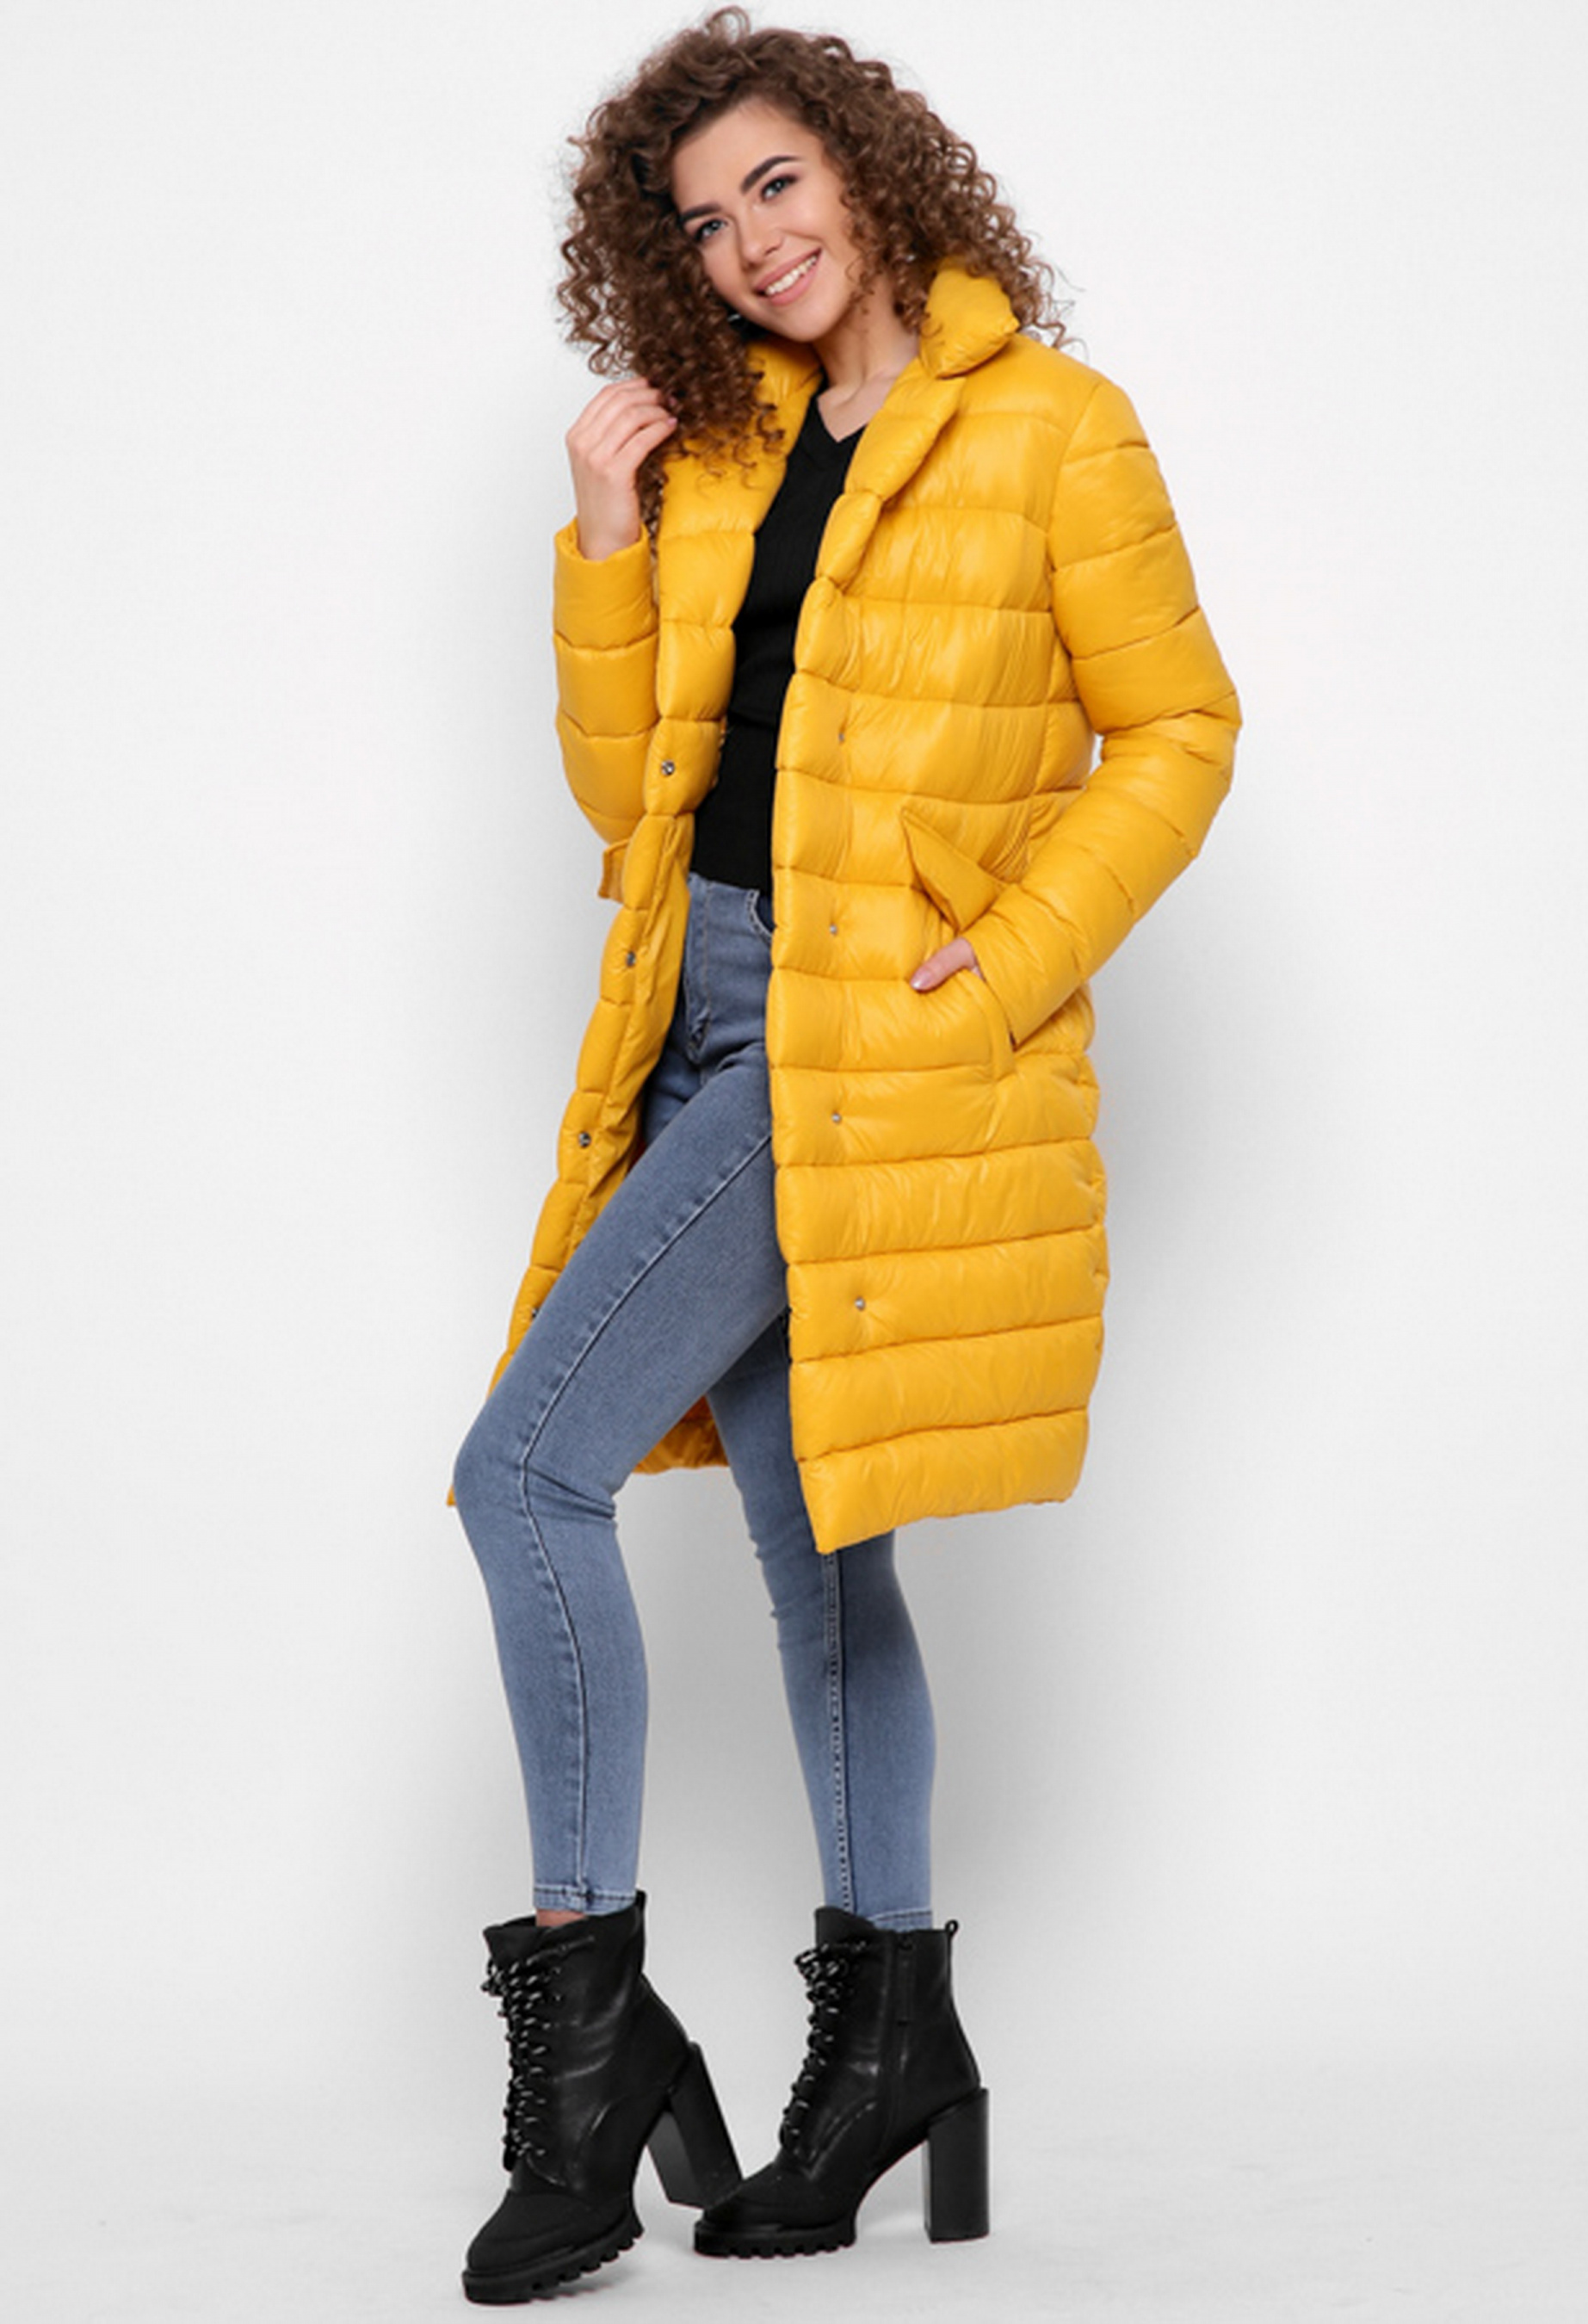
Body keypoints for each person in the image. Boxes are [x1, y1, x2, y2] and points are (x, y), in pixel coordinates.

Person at [450, 7, 1239, 2303]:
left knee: (523, 1473)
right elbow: (631, 800)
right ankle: (895, 2039)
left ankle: (594, 2055)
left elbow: (1179, 732)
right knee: (816, 1553)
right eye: (705, 223)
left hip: (862, 1042)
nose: (751, 244)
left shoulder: (1054, 427)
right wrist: (604, 540)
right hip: (695, 1011)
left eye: (776, 185)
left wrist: (1003, 962)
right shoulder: (715, 450)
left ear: (876, 169)